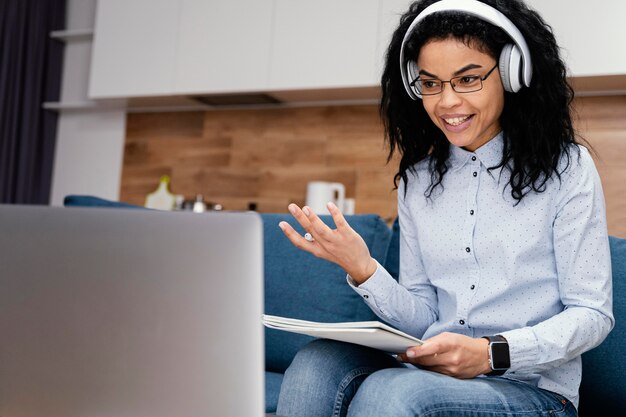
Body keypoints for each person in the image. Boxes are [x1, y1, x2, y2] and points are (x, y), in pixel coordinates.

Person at [276, 0, 614, 415]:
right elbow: (424, 317)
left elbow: (592, 313)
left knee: (391, 393)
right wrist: (362, 267)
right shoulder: (419, 180)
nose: (446, 102)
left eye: (468, 78)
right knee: (315, 362)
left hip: (534, 391)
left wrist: (491, 353)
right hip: (434, 374)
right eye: (431, 83)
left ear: (510, 73)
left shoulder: (567, 168)